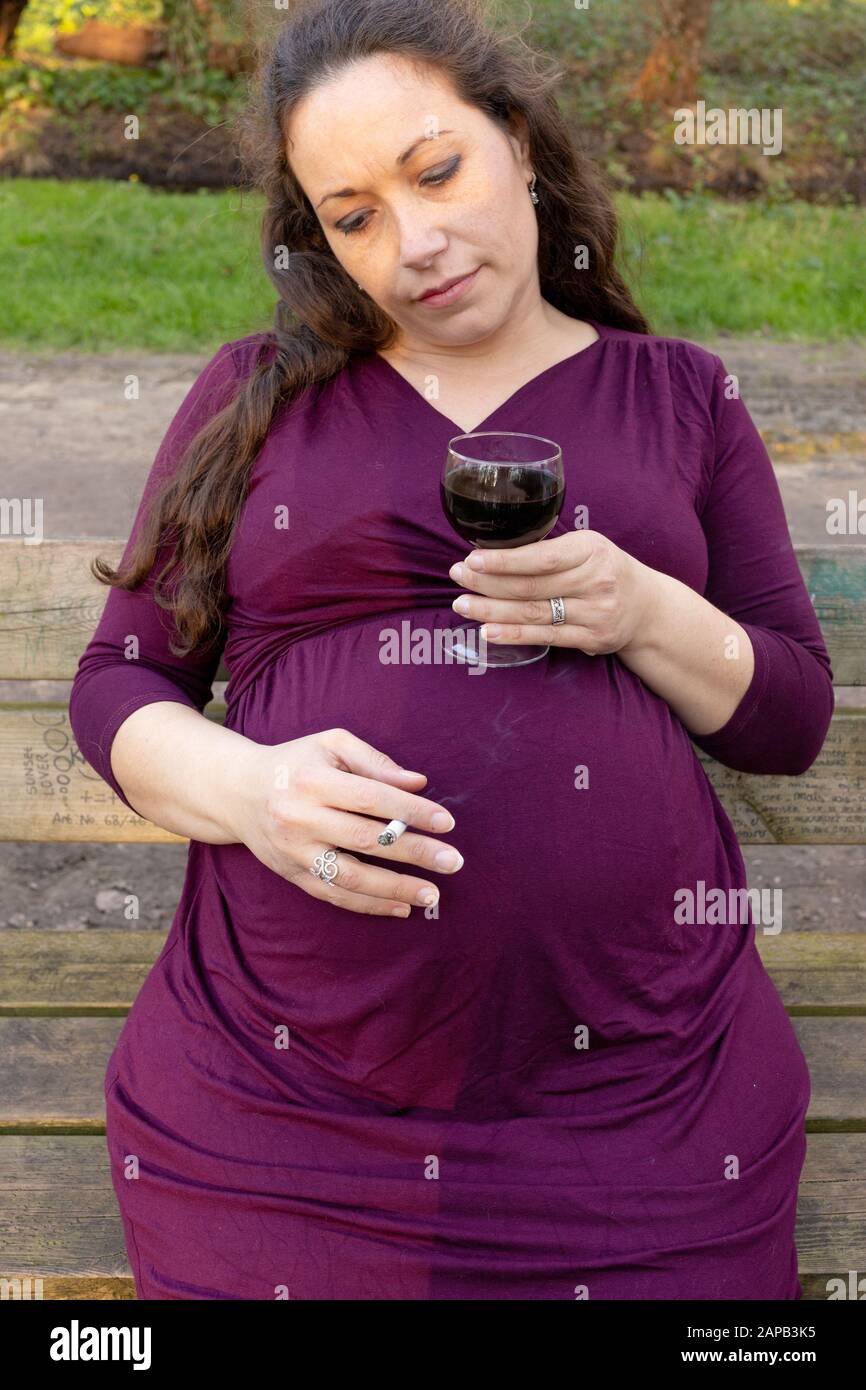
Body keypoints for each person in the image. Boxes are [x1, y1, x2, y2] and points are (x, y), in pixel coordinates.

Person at [69, 0, 834, 1300]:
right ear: (317, 239)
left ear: (519, 146)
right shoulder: (257, 395)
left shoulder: (680, 395)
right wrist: (249, 790)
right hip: (283, 1114)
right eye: (354, 213)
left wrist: (644, 610)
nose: (414, 241)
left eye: (438, 170)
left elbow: (788, 716)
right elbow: (119, 682)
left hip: (639, 1120)